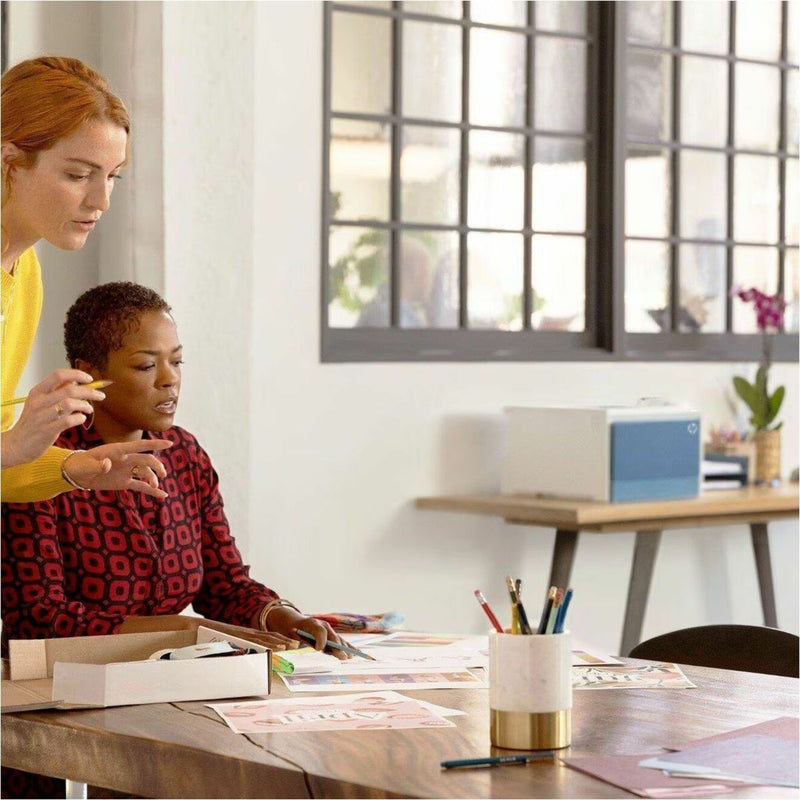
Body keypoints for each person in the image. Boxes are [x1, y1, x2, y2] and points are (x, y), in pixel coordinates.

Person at [1, 283, 349, 798]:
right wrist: (183, 632)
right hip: (64, 728)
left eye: (177, 362)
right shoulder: (41, 467)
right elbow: (39, 619)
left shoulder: (185, 456)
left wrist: (285, 618)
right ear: (88, 373)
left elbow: (226, 585)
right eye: (146, 366)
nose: (170, 381)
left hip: (173, 709)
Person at [1, 56, 170, 503]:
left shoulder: (25, 271)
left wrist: (73, 467)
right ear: (11, 160)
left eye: (112, 177)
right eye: (78, 175)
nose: (101, 200)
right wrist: (13, 444)